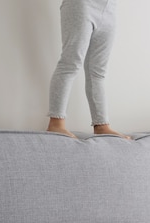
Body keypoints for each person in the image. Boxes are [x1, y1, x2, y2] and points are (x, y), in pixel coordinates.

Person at [47, 0, 130, 139]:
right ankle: (56, 122)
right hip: (81, 4)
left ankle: (101, 125)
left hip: (110, 7)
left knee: (97, 72)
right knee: (70, 64)